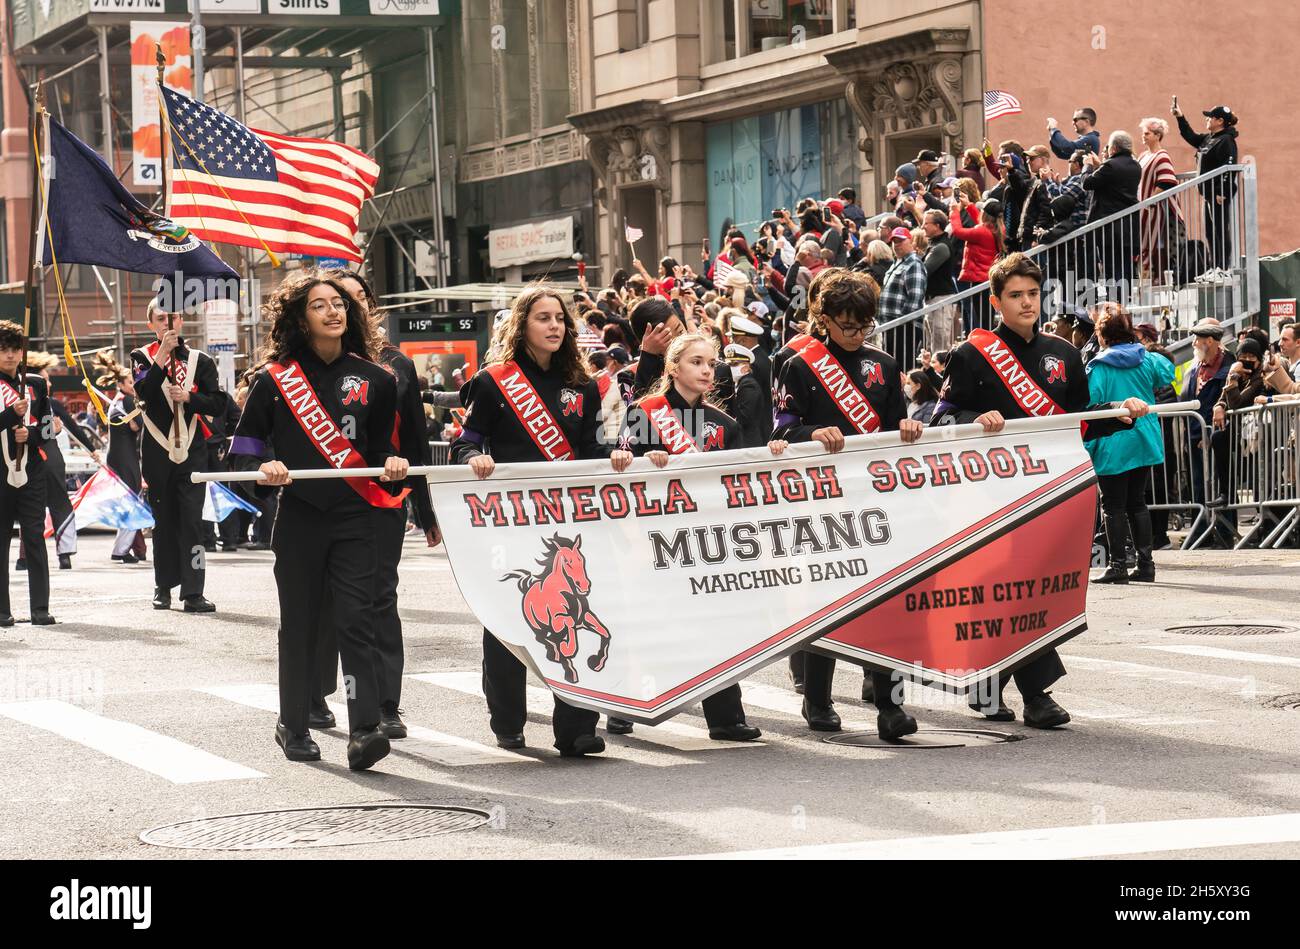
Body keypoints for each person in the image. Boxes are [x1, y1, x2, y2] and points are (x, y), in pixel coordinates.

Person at [932, 253, 1149, 725]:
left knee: (1033, 591)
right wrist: (974, 420)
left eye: (1032, 293)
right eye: (1015, 295)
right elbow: (941, 418)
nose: (1026, 302)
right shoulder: (970, 355)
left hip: (1050, 490)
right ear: (996, 301)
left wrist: (1120, 411)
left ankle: (990, 684)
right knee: (1006, 589)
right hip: (989, 492)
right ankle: (1035, 693)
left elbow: (1079, 422)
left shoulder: (1065, 354)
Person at [228, 271, 408, 771]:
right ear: (299, 319)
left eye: (340, 304)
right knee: (301, 625)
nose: (334, 312)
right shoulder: (273, 379)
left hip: (356, 517)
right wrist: (262, 469)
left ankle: (365, 727)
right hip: (301, 518)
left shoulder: (378, 380)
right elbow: (242, 455)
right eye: (319, 305)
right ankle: (293, 723)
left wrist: (393, 467)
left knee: (357, 620)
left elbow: (381, 455)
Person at [451, 285, 608, 758]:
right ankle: (507, 720)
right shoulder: (493, 381)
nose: (555, 325)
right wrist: (475, 455)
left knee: (576, 618)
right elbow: (464, 442)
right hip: (510, 523)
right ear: (523, 326)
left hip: (566, 524)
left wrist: (614, 461)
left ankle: (577, 726)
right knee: (506, 619)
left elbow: (594, 450)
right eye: (543, 318)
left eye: (560, 318)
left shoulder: (584, 386)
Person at [773, 269, 925, 740]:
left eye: (864, 326)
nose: (857, 335)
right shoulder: (795, 362)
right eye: (847, 326)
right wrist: (809, 433)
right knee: (827, 600)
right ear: (823, 319)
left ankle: (890, 707)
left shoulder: (882, 362)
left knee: (886, 599)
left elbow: (896, 422)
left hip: (875, 496)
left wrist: (909, 429)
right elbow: (778, 429)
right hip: (819, 499)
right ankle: (817, 699)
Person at [606, 333, 779, 741]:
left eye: (709, 363)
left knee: (714, 624)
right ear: (673, 368)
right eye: (696, 362)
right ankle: (624, 706)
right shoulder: (644, 412)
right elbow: (621, 470)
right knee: (646, 622)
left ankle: (725, 716)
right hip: (653, 538)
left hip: (705, 539)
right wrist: (645, 462)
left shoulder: (726, 424)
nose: (706, 370)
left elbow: (737, 484)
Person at [310, 270, 440, 740]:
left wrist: (425, 509)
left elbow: (415, 439)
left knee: (380, 598)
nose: (345, 308)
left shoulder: (396, 364)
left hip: (382, 498)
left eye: (355, 298)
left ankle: (385, 703)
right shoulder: (303, 364)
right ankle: (315, 692)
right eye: (333, 300)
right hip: (320, 500)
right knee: (323, 600)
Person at [130, 300, 225, 613]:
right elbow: (143, 392)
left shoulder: (201, 360)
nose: (166, 323)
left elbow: (218, 403)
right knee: (163, 521)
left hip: (192, 450)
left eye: (172, 318)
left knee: (192, 522)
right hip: (157, 448)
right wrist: (160, 357)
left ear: (182, 321)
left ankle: (194, 591)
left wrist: (190, 397)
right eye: (160, 318)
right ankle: (163, 587)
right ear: (151, 323)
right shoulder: (141, 357)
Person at [1084, 305, 1175, 583]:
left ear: (1102, 336)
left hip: (1113, 440)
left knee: (1112, 505)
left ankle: (1118, 565)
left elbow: (1091, 400)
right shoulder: (1146, 359)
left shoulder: (1098, 366)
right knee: (1138, 502)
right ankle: (1146, 565)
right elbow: (1167, 373)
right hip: (1143, 437)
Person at [19, 352, 101, 571]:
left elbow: (72, 428)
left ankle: (24, 558)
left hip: (28, 456)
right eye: (46, 379)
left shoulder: (17, 401)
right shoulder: (47, 402)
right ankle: (64, 554)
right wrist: (91, 448)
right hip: (45, 454)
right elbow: (72, 427)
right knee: (59, 504)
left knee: (30, 506)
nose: (50, 382)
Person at [0, 322, 56, 626]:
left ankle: (40, 608)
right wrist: (11, 415)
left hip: (32, 469)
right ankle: (1, 610)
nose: (10, 356)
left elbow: (48, 427)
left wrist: (31, 434)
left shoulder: (34, 383)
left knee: (35, 536)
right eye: (3, 350)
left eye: (15, 349)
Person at [1173, 102, 1240, 270]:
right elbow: (1190, 136)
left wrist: (1222, 192)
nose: (1207, 120)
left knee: (1220, 232)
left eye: (1210, 117)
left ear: (1219, 121)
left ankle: (1223, 268)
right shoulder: (1209, 138)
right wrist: (1180, 117)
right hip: (1208, 194)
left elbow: (1229, 167)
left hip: (1218, 195)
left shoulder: (1227, 140)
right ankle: (1214, 266)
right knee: (1210, 233)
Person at [93, 354, 146, 564]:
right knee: (132, 501)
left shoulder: (117, 401)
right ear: (121, 384)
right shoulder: (125, 401)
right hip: (125, 457)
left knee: (129, 501)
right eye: (130, 382)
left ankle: (127, 548)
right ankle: (121, 550)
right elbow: (138, 425)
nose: (134, 386)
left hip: (119, 455)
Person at [1081, 131, 1141, 299]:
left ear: (1113, 148)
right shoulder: (1135, 165)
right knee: (1125, 268)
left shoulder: (1110, 166)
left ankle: (1115, 305)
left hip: (1110, 228)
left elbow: (1087, 183)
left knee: (1111, 270)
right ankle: (1124, 305)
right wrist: (1102, 165)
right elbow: (1113, 182)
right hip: (1128, 226)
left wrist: (1087, 166)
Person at [1136, 117, 1186, 279]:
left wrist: (1150, 201)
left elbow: (1166, 182)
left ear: (1158, 135)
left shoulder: (1162, 156)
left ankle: (1155, 280)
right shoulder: (1143, 155)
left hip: (1154, 210)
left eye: (1147, 133)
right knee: (1142, 244)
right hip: (1142, 207)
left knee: (1152, 244)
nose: (1143, 136)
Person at [949, 197, 1005, 335]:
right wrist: (969, 206)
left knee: (983, 318)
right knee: (986, 315)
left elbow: (958, 231)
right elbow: (981, 223)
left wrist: (954, 211)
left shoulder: (981, 232)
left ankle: (987, 341)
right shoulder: (999, 229)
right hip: (987, 278)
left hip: (978, 280)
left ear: (985, 214)